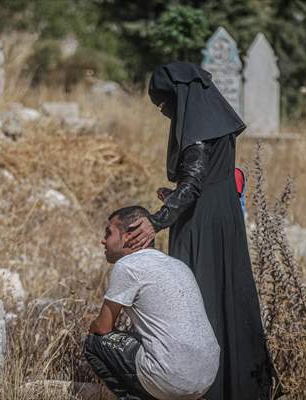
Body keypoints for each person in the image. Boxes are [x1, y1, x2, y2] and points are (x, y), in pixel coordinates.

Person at [125, 62, 273, 400]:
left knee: (197, 303)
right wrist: (174, 194)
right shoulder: (213, 123)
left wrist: (157, 219)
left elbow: (191, 187)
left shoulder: (196, 132)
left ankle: (207, 389)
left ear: (181, 97)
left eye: (165, 104)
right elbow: (200, 183)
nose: (164, 112)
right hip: (223, 220)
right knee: (225, 298)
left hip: (201, 227)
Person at [84, 205, 220, 400]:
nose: (103, 241)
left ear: (129, 236)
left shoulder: (128, 265)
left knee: (94, 342)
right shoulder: (178, 265)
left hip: (172, 378)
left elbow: (103, 328)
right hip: (207, 377)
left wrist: (92, 327)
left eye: (109, 233)